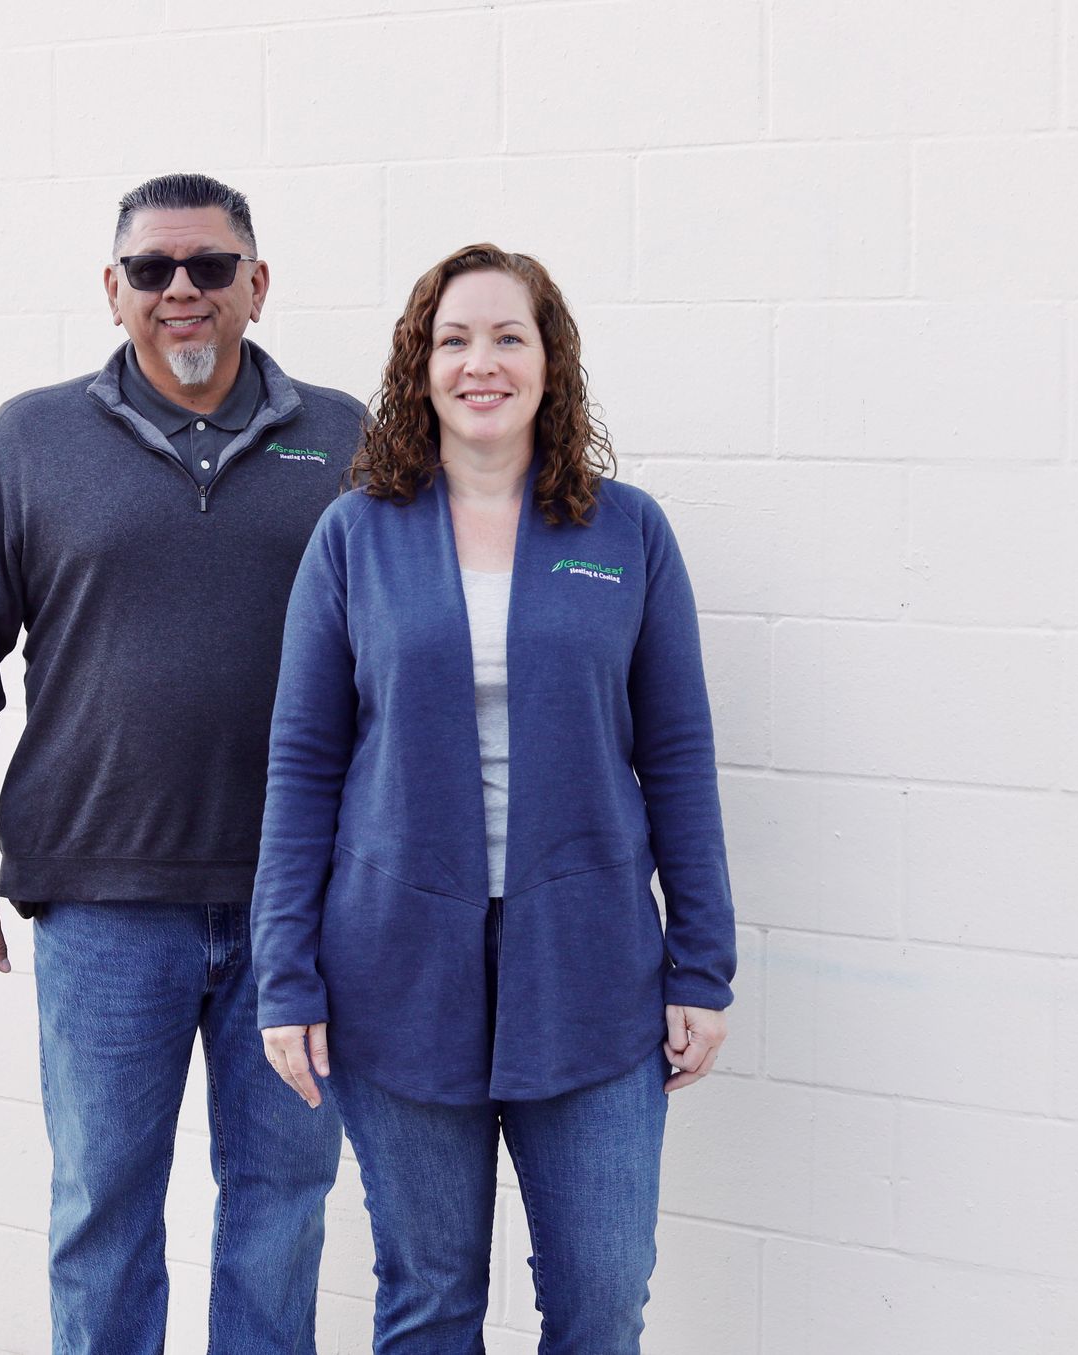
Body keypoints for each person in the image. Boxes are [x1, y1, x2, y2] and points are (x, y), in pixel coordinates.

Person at [0, 173, 365, 1355]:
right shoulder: (28, 441)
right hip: (103, 908)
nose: (182, 291)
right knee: (102, 1215)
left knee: (281, 1209)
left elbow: (405, 661)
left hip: (296, 914)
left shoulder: (345, 439)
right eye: (152, 269)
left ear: (257, 286)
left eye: (210, 266)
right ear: (112, 291)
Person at [251, 243, 737, 1353]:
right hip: (395, 974)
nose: (482, 361)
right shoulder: (355, 536)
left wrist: (702, 960)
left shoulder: (628, 533)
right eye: (454, 338)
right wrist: (288, 974)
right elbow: (302, 763)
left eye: (508, 336)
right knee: (427, 1299)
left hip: (592, 970)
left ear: (550, 362)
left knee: (604, 1299)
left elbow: (678, 754)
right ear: (419, 366)